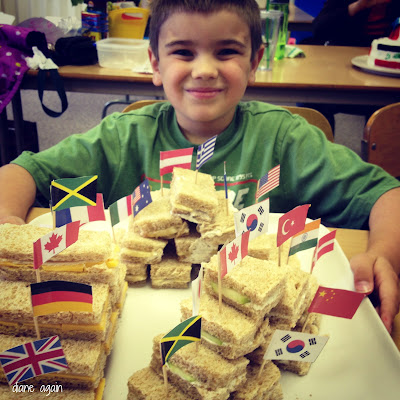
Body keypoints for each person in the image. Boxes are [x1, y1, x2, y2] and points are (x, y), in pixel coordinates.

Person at [0, 0, 399, 332]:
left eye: (226, 51)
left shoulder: (285, 139)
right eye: (183, 52)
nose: (205, 69)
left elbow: (387, 195)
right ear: (155, 64)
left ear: (255, 61)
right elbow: (23, 172)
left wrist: (383, 253)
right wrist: (7, 223)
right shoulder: (123, 137)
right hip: (137, 320)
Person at [300, 0, 400, 131]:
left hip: (389, 77)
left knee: (387, 114)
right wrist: (359, 6)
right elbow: (319, 28)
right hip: (344, 70)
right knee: (313, 100)